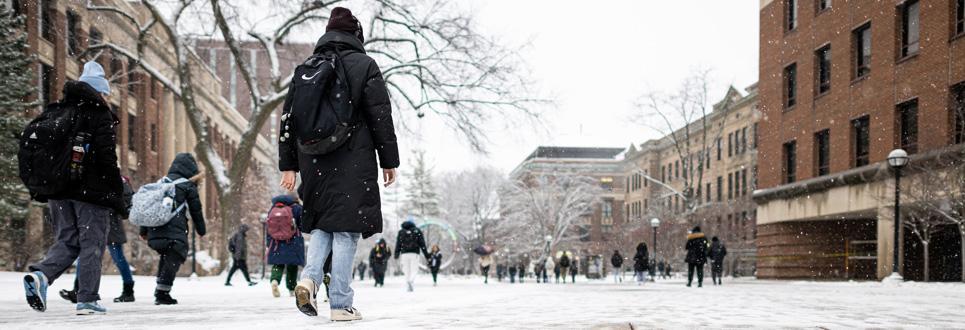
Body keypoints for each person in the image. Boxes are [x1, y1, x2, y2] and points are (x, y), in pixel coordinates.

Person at [280, 7, 400, 322]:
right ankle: (341, 304)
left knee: (322, 225)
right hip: (353, 157)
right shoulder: (364, 65)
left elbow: (288, 120)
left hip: (313, 159)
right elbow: (380, 117)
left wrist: (288, 165)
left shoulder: (306, 68)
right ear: (356, 36)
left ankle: (310, 278)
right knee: (346, 230)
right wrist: (389, 161)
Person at [22, 61, 126, 315]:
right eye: (103, 92)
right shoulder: (99, 114)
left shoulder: (58, 110)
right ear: (99, 91)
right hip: (90, 192)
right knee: (92, 243)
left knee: (68, 240)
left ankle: (42, 276)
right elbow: (106, 158)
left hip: (58, 191)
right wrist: (116, 192)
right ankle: (87, 299)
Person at [139, 153, 206, 305]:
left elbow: (148, 207)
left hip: (155, 229)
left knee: (167, 256)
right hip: (174, 231)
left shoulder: (161, 182)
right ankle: (162, 292)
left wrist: (144, 231)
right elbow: (196, 211)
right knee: (175, 254)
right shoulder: (187, 186)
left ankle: (161, 288)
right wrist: (201, 231)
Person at [59, 176, 137, 304]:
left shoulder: (116, 178)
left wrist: (111, 206)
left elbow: (126, 201)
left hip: (111, 223)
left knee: (118, 258)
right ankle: (78, 289)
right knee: (86, 254)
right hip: (95, 220)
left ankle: (128, 290)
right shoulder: (98, 173)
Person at [265, 195, 305, 298]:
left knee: (278, 264)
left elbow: (268, 228)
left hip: (276, 242)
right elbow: (302, 225)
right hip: (293, 241)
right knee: (292, 266)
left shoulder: (273, 209)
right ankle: (291, 288)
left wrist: (269, 242)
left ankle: (274, 280)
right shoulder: (296, 208)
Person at [394, 220, 428, 292]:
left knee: (406, 270)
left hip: (404, 254)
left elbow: (398, 244)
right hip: (414, 253)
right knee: (414, 269)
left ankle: (408, 284)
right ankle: (411, 281)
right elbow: (422, 243)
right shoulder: (417, 231)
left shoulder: (401, 232)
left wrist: (396, 254)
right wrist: (426, 255)